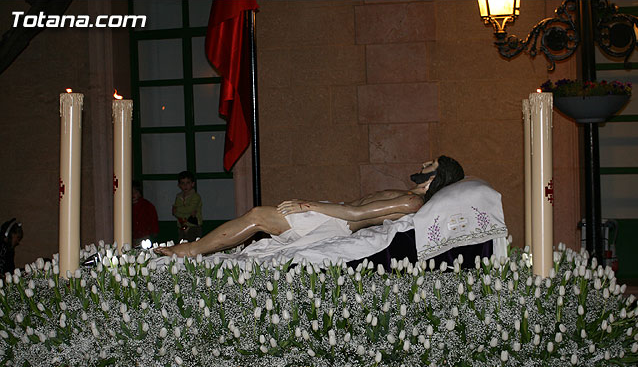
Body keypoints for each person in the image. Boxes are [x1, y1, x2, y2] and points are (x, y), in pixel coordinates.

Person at [154, 156, 464, 259]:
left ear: (435, 177)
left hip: (338, 223)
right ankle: (194, 249)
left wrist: (309, 204)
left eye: (431, 165)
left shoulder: (412, 201)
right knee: (259, 217)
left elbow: (357, 215)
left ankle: (192, 249)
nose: (424, 164)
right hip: (336, 214)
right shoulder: (408, 194)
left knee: (258, 216)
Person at [172, 171, 203, 243]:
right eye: (183, 183)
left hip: (193, 226)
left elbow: (189, 209)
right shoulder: (178, 196)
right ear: (179, 185)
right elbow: (175, 213)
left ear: (192, 184)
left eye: (188, 183)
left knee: (193, 246)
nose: (185, 185)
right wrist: (181, 212)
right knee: (182, 246)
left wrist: (178, 210)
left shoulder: (195, 196)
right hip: (181, 226)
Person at [132, 180, 159, 247]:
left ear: (140, 193)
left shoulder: (147, 206)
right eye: (131, 192)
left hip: (145, 235)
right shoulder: (125, 207)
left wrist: (154, 232)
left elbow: (153, 220)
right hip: (131, 236)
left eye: (135, 192)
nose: (133, 194)